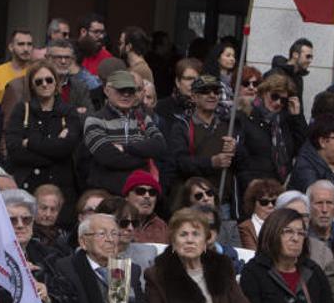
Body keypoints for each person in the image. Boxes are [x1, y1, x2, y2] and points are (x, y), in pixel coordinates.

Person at [145, 208, 249, 303]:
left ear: (205, 240)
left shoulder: (222, 266)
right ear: (173, 241)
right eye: (183, 234)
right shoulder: (157, 274)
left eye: (196, 234)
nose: (190, 240)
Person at [239, 207, 334, 303]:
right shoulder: (253, 272)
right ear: (272, 233)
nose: (295, 238)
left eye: (301, 233)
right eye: (288, 232)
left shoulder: (313, 270)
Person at [53, 212, 151, 303]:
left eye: (114, 233)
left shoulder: (127, 269)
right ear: (83, 242)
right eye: (102, 234)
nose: (110, 239)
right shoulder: (67, 268)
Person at [5, 61, 82, 195]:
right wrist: (56, 151)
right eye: (39, 81)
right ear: (32, 86)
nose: (45, 84)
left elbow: (67, 148)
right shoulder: (22, 110)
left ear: (56, 82)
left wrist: (29, 142)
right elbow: (14, 150)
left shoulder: (68, 112)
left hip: (61, 186)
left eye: (49, 80)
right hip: (28, 183)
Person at [84, 70, 166, 195]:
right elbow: (108, 158)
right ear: (107, 90)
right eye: (120, 90)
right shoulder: (94, 120)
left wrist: (124, 148)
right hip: (108, 195)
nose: (126, 94)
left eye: (131, 90)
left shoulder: (143, 118)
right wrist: (143, 157)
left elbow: (160, 146)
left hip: (140, 194)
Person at [168, 75, 240, 217]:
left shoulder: (229, 126)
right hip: (193, 203)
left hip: (222, 203)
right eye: (205, 91)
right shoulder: (182, 126)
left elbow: (243, 163)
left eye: (216, 91)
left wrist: (236, 149)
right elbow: (180, 162)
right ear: (194, 97)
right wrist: (212, 162)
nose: (212, 95)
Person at [235, 73, 305, 193]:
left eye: (283, 100)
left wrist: (297, 117)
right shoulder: (245, 116)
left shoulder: (285, 121)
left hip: (280, 188)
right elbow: (239, 157)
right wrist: (250, 183)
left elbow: (301, 148)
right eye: (274, 96)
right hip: (254, 189)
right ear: (263, 93)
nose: (278, 102)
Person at [237, 179, 283, 250]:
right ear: (253, 204)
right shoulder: (245, 228)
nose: (270, 205)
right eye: (264, 202)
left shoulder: (285, 225)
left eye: (274, 202)